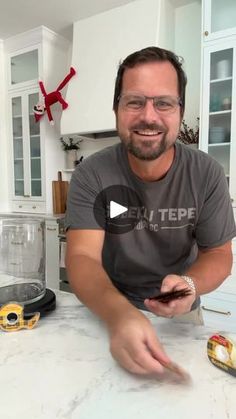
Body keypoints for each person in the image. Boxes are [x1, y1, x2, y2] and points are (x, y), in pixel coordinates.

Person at [65, 46, 236, 376]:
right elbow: (82, 258)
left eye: (164, 103)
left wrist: (189, 284)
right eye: (134, 101)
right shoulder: (91, 174)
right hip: (109, 306)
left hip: (183, 314)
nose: (149, 116)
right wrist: (120, 314)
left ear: (179, 111)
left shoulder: (207, 173)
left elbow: (218, 252)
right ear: (116, 108)